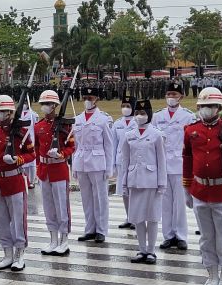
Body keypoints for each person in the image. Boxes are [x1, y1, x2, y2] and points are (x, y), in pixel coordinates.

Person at [183, 86, 222, 285]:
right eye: (203, 106)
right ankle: (212, 275)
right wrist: (187, 188)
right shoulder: (191, 130)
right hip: (200, 190)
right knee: (206, 238)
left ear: (218, 107)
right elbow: (187, 160)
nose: (206, 109)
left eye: (210, 106)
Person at [0, 94, 36, 271]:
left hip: (14, 179)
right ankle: (7, 254)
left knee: (17, 220)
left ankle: (19, 254)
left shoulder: (20, 131)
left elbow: (32, 154)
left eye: (1, 112)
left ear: (9, 113)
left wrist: (18, 159)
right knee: (1, 219)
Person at [118, 98, 168, 264]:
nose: (140, 116)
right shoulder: (128, 136)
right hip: (135, 181)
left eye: (143, 113)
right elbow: (125, 161)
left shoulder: (156, 135)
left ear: (149, 114)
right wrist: (123, 183)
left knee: (152, 217)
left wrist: (162, 184)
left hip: (152, 182)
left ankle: (151, 251)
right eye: (137, 113)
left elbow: (162, 161)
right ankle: (141, 250)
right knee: (138, 217)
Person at [153, 79, 196, 251]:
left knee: (179, 203)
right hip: (163, 164)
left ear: (181, 97)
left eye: (174, 94)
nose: (171, 97)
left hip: (180, 164)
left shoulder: (188, 116)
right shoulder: (157, 116)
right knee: (165, 202)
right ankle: (168, 236)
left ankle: (181, 236)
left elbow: (192, 144)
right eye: (169, 94)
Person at [72, 84, 115, 244]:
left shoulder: (104, 119)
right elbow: (76, 145)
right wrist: (74, 167)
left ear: (97, 99)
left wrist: (109, 167)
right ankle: (89, 229)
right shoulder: (77, 119)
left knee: (100, 197)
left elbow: (109, 145)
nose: (87, 101)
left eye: (90, 98)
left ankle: (101, 230)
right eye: (85, 98)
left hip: (98, 162)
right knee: (86, 198)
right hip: (82, 161)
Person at [34, 90, 76, 256]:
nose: (45, 107)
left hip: (59, 169)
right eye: (43, 104)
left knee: (62, 206)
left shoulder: (64, 125)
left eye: (48, 104)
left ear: (55, 106)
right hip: (44, 171)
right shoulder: (39, 126)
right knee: (49, 207)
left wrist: (62, 154)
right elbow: (37, 149)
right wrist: (38, 168)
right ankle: (53, 239)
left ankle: (64, 240)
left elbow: (71, 146)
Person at [109, 93, 136, 230]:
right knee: (124, 191)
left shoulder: (138, 122)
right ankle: (129, 217)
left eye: (128, 106)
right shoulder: (117, 123)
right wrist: (112, 163)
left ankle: (136, 218)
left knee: (134, 190)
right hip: (121, 161)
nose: (125, 108)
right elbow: (113, 144)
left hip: (134, 161)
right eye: (123, 106)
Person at [19, 99, 40, 189]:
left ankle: (32, 180)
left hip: (31, 139)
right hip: (21, 139)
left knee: (32, 161)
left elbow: (36, 127)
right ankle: (25, 179)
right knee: (24, 160)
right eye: (23, 103)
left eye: (26, 103)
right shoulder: (19, 114)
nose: (24, 105)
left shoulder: (33, 115)